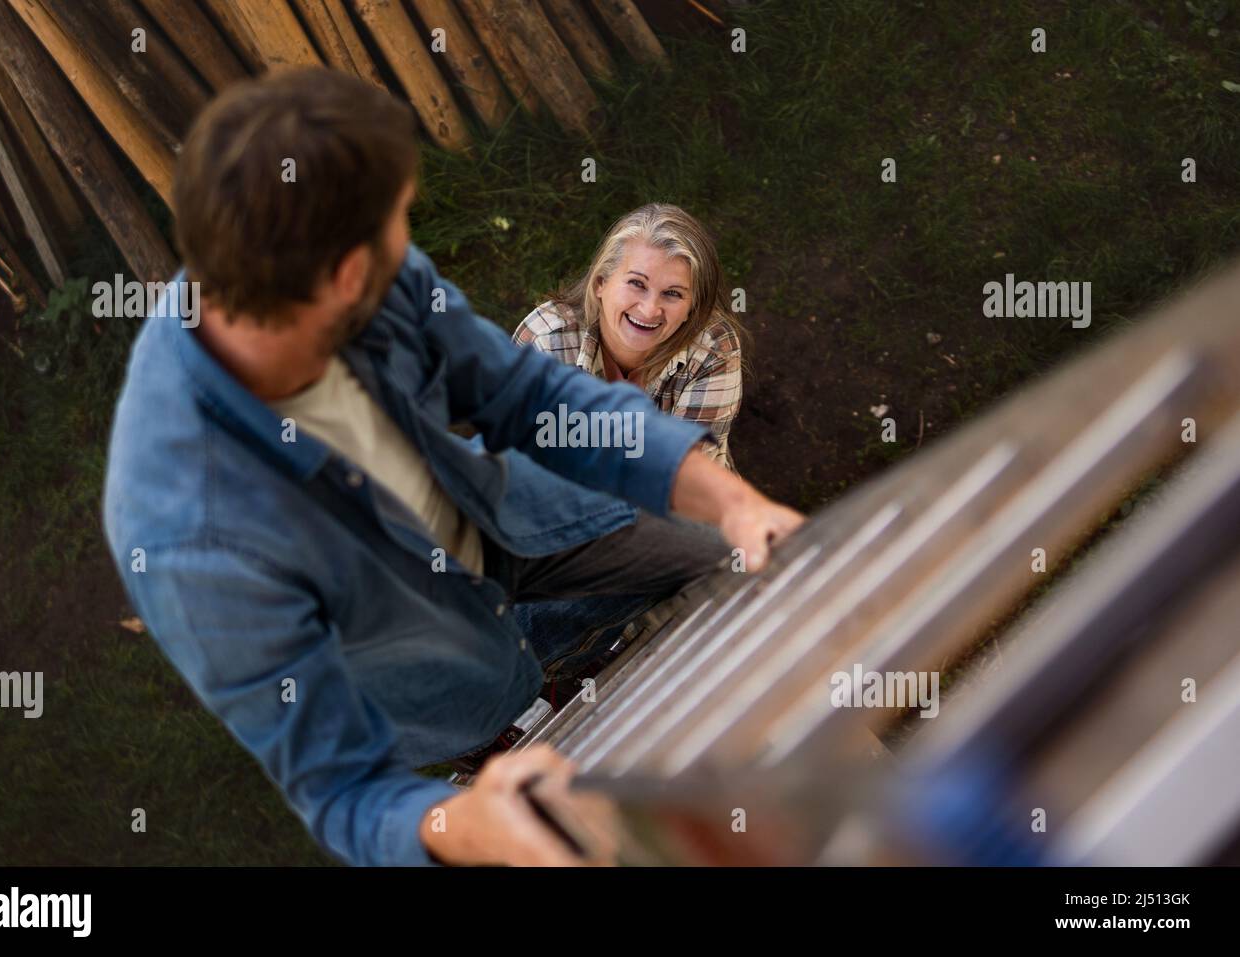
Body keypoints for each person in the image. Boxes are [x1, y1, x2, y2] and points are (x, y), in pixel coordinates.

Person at [102, 67, 803, 867]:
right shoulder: (188, 536)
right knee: (561, 798)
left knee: (719, 540)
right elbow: (341, 790)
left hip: (498, 514)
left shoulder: (352, 261)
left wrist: (731, 499)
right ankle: (509, 725)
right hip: (416, 647)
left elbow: (523, 391)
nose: (410, 260)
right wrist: (467, 825)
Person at [514, 203, 744, 471]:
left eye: (673, 293)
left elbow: (682, 479)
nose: (649, 310)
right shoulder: (545, 341)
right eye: (637, 284)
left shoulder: (712, 348)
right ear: (601, 283)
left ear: (692, 306)